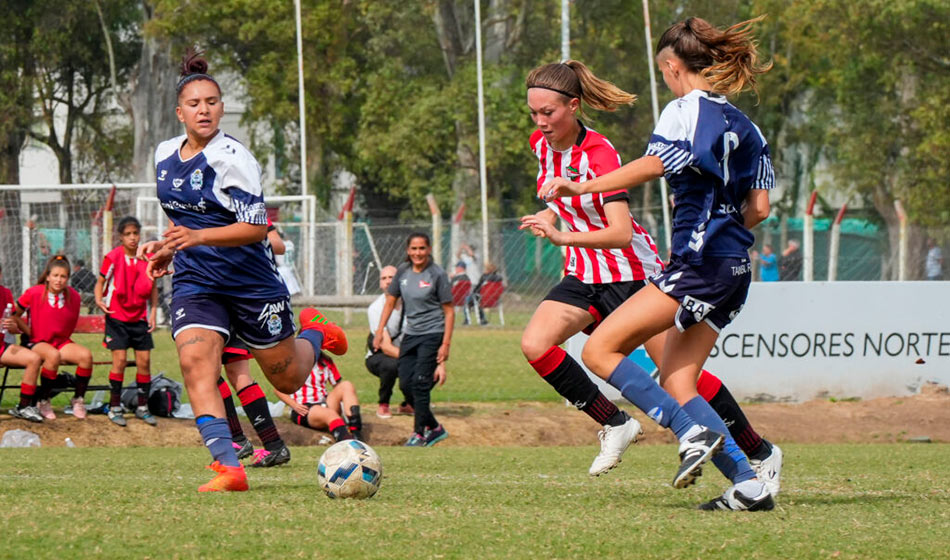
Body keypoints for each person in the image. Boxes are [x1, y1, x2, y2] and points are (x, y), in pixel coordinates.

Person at [541, 16, 777, 511]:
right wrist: (727, 234)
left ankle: (689, 431)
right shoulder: (749, 127)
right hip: (735, 267)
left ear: (672, 67)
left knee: (600, 350)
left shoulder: (683, 110)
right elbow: (759, 210)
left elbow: (656, 163)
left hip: (697, 263)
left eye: (664, 71)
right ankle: (748, 485)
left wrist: (580, 186)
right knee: (677, 380)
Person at [142, 49, 348, 492]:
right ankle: (229, 466)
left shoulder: (233, 157)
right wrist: (167, 247)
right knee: (195, 361)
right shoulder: (163, 156)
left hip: (250, 282)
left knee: (287, 376)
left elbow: (256, 228)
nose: (204, 110)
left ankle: (315, 332)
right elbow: (185, 216)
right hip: (197, 280)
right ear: (179, 112)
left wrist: (195, 238)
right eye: (195, 104)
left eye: (212, 102)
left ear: (221, 107)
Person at [373, 233, 453, 447]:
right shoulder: (402, 272)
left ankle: (419, 433)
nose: (418, 253)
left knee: (420, 382)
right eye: (414, 249)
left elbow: (449, 312)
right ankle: (435, 427)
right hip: (411, 334)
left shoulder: (437, 274)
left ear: (428, 250)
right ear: (408, 251)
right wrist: (379, 331)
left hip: (432, 333)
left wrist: (445, 344)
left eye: (422, 248)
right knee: (406, 383)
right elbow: (390, 302)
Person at [94, 216, 159, 427]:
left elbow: (153, 286)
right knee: (120, 361)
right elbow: (101, 281)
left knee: (144, 362)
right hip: (117, 318)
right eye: (128, 234)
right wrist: (98, 299)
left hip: (139, 318)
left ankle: (142, 407)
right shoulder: (113, 257)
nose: (132, 238)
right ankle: (114, 407)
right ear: (120, 237)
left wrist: (154, 312)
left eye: (135, 233)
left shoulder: (148, 257)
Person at [12, 255, 94, 421]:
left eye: (63, 276)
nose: (59, 280)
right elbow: (15, 315)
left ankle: (78, 400)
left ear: (68, 278)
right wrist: (28, 331)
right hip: (36, 342)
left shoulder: (73, 297)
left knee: (86, 356)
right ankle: (43, 400)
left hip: (60, 342)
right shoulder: (34, 292)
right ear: (48, 276)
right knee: (53, 355)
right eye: (55, 275)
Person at [218, 340, 292, 467]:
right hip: (232, 321)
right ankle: (274, 445)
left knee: (203, 372)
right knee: (239, 373)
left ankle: (237, 440)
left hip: (207, 323)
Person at [275, 352, 363, 442]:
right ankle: (347, 442)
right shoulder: (291, 362)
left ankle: (356, 432)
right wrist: (294, 405)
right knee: (330, 414)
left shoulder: (325, 360)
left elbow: (337, 386)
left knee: (346, 385)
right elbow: (277, 389)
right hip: (304, 408)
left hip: (324, 403)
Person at [365, 265, 413, 419]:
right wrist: (412, 359)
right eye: (383, 278)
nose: (387, 282)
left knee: (431, 367)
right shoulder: (375, 308)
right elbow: (385, 347)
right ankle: (383, 404)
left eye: (391, 278)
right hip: (380, 356)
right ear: (380, 283)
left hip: (404, 352)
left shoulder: (411, 304)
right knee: (391, 365)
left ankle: (410, 403)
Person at [1, 263, 45, 422]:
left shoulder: (5, 293)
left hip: (1, 347)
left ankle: (23, 406)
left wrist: (13, 327)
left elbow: (12, 325)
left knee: (34, 359)